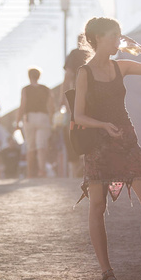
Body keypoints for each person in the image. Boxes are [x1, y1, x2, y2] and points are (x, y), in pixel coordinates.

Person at [72, 17, 141, 280]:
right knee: (97, 206)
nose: (119, 40)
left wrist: (138, 48)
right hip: (98, 144)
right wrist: (103, 125)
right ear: (99, 38)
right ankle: (107, 272)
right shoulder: (85, 73)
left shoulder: (121, 65)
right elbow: (78, 114)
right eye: (115, 36)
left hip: (126, 140)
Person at [63, 36, 92, 177]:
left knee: (76, 128)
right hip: (95, 95)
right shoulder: (97, 53)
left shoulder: (74, 54)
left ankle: (77, 167)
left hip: (79, 95)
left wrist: (64, 99)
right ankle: (89, 164)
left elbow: (67, 77)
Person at [17, 67, 54, 178]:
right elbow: (51, 106)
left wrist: (17, 120)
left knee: (31, 147)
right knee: (41, 145)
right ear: (39, 76)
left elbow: (22, 105)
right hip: (43, 117)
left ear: (29, 76)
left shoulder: (25, 89)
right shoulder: (46, 89)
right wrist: (51, 120)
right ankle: (42, 170)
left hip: (30, 117)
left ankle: (30, 173)